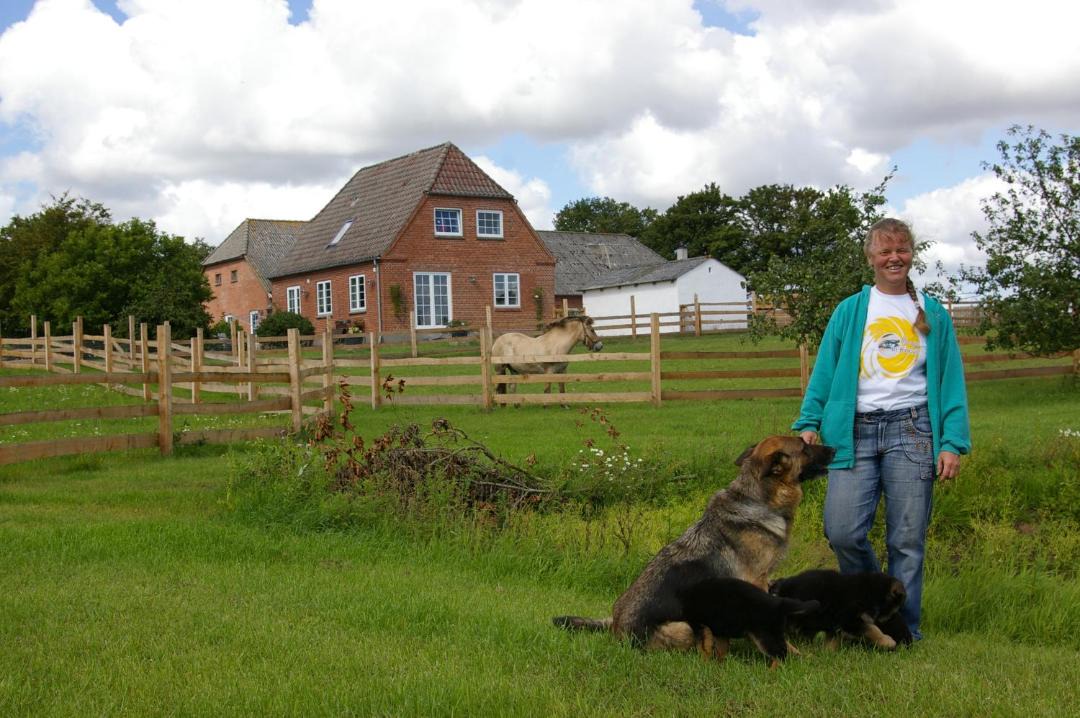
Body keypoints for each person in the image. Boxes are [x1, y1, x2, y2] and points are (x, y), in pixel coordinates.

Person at [792, 217, 970, 641]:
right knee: (842, 531)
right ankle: (872, 607)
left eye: (902, 250)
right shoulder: (851, 310)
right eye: (885, 251)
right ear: (871, 257)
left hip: (913, 431)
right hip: (851, 432)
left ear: (911, 254)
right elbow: (825, 371)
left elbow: (951, 380)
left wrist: (952, 442)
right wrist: (809, 421)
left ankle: (903, 630)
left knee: (907, 540)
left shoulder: (932, 313)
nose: (895, 257)